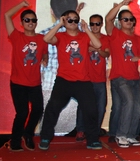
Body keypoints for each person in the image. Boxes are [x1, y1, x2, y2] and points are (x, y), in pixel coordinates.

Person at [38, 10, 103, 150]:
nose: (73, 22)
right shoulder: (60, 36)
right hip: (64, 80)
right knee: (52, 108)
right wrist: (59, 24)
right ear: (64, 21)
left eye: (75, 20)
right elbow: (46, 39)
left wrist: (87, 29)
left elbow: (98, 45)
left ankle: (92, 140)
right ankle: (45, 137)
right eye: (69, 20)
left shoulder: (84, 36)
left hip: (83, 81)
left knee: (91, 110)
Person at [105, 0, 140, 148]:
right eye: (125, 19)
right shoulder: (115, 34)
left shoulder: (137, 39)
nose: (129, 21)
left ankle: (131, 135)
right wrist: (120, 5)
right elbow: (108, 19)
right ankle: (121, 135)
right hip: (119, 77)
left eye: (131, 19)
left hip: (135, 79)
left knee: (137, 108)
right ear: (120, 21)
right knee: (128, 102)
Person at [4, 0, 49, 151]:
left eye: (33, 20)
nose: (30, 22)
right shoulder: (16, 36)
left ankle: (28, 134)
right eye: (27, 20)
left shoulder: (42, 39)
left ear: (36, 23)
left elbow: (44, 53)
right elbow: (7, 15)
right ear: (22, 23)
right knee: (22, 113)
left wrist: (45, 58)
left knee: (38, 109)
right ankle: (15, 141)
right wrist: (21, 5)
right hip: (18, 83)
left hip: (34, 83)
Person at [75, 14, 110, 142]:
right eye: (92, 24)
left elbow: (106, 53)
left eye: (97, 24)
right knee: (83, 105)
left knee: (101, 106)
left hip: (100, 78)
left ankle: (95, 130)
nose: (95, 26)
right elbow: (80, 50)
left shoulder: (106, 38)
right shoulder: (84, 37)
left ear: (101, 25)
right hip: (86, 78)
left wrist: (96, 49)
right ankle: (80, 130)